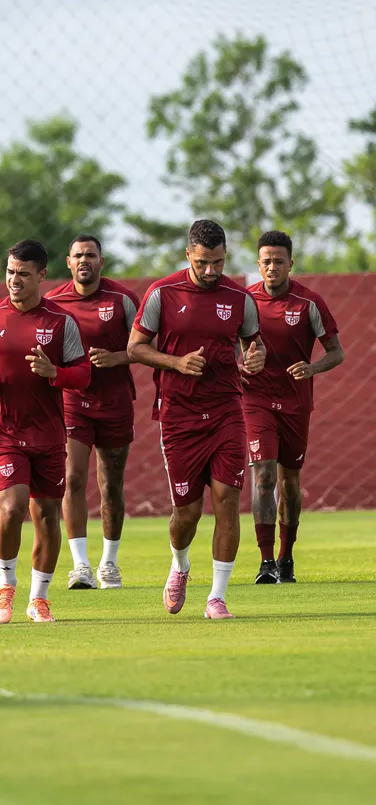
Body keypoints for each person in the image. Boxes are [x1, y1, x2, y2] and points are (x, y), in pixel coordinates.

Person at [127, 220, 266, 620]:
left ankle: (217, 597)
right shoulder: (162, 293)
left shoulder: (239, 299)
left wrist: (255, 359)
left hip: (226, 411)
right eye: (203, 262)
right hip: (179, 416)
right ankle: (180, 566)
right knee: (186, 514)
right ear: (188, 254)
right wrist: (175, 362)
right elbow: (135, 348)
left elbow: (253, 346)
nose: (211, 271)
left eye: (218, 262)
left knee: (227, 500)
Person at [0, 239, 90, 623]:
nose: (14, 280)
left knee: (47, 514)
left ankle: (39, 597)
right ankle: (5, 586)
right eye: (10, 272)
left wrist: (56, 374)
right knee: (13, 507)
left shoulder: (61, 322)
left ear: (42, 276)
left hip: (48, 435)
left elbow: (82, 374)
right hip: (2, 431)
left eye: (23, 274)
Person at [243, 231, 345, 584]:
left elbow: (337, 352)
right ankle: (266, 561)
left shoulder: (309, 302)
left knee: (289, 481)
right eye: (266, 261)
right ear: (258, 264)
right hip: (255, 401)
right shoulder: (244, 301)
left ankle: (286, 558)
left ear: (291, 263)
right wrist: (242, 364)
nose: (272, 267)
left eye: (279, 261)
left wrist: (312, 367)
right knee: (264, 475)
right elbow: (225, 346)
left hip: (296, 403)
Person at [45, 235, 140, 590]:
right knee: (73, 478)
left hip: (114, 403)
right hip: (72, 402)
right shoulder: (53, 302)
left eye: (91, 255)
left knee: (110, 484)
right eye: (78, 255)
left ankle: (109, 562)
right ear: (68, 262)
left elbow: (152, 346)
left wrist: (118, 357)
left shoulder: (122, 299)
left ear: (102, 262)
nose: (84, 260)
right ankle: (80, 566)